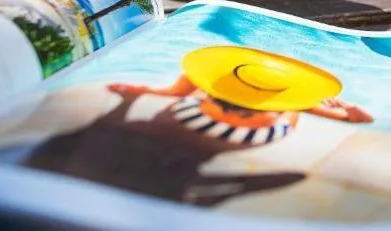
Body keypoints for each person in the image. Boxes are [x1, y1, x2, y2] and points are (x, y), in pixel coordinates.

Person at [20, 45, 372, 206]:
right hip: (242, 133)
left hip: (207, 126)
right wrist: (347, 112)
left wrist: (155, 93)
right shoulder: (268, 124)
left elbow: (189, 81)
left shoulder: (201, 107)